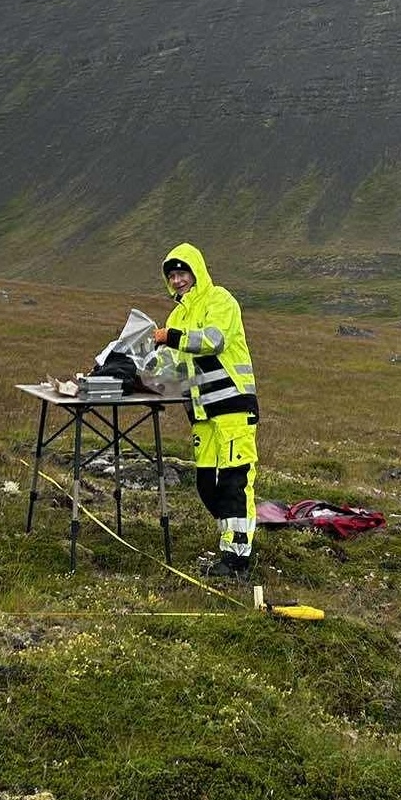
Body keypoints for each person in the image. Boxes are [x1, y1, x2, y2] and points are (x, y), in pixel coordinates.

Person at [151, 243, 259, 579]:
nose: (178, 280)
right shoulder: (176, 315)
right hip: (201, 413)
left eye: (182, 273)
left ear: (197, 271)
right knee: (206, 485)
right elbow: (169, 367)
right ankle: (232, 539)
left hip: (231, 407)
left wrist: (172, 337)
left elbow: (212, 341)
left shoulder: (220, 300)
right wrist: (135, 371)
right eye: (172, 275)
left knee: (234, 481)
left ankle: (238, 557)